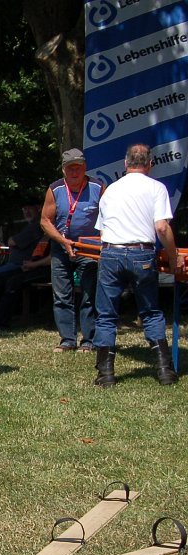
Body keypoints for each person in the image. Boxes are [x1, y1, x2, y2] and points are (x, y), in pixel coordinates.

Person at [91, 143, 184, 387]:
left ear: (125, 164)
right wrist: (174, 258)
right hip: (141, 253)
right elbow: (162, 227)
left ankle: (106, 373)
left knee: (107, 314)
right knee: (151, 311)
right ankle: (165, 370)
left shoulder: (110, 190)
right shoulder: (156, 188)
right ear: (150, 163)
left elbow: (102, 230)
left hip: (111, 252)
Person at [39, 148, 105, 352]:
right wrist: (62, 241)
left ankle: (89, 340)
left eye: (78, 168)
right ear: (63, 170)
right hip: (61, 247)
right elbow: (45, 221)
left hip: (89, 249)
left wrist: (101, 242)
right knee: (61, 294)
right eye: (70, 169)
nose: (74, 172)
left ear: (85, 168)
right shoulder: (55, 189)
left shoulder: (98, 187)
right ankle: (67, 339)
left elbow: (109, 218)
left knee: (89, 293)